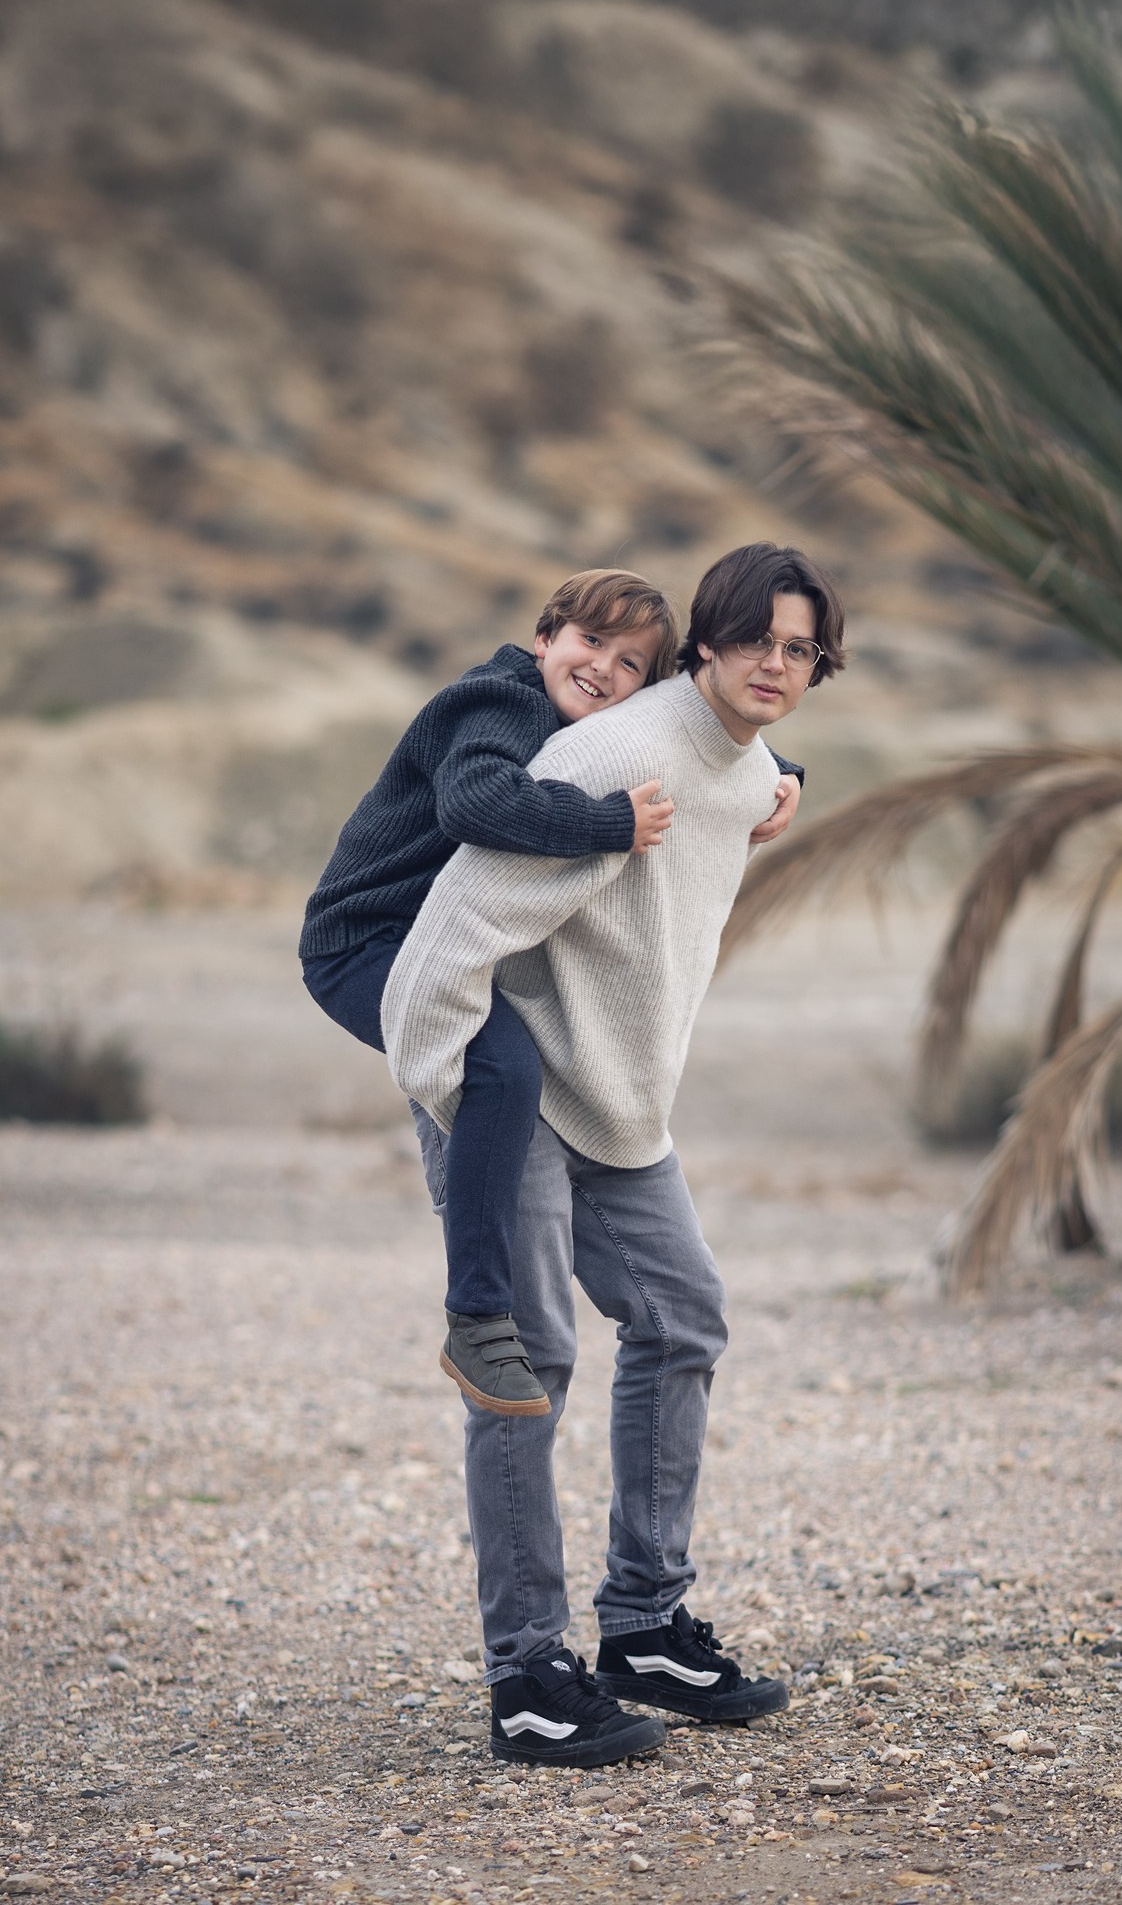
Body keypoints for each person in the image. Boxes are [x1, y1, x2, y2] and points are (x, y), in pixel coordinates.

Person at [382, 542, 846, 1765]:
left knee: (683, 1314)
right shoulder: (610, 760)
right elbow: (441, 948)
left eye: (801, 649)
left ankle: (641, 1627)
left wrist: (780, 777)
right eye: (760, 638)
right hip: (516, 1104)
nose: (778, 664)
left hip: (624, 1113)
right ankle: (529, 1676)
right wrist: (455, 1092)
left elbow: (743, 778)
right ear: (709, 639)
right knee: (530, 1361)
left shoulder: (747, 777)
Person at [300, 569, 803, 1419]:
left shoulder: (600, 724)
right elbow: (471, 802)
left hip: (445, 947)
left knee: (507, 1065)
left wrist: (783, 773)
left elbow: (701, 728)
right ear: (543, 639)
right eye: (588, 641)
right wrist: (612, 825)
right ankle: (476, 1316)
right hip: (366, 939)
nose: (604, 669)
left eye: (631, 664)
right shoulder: (496, 705)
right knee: (501, 1069)